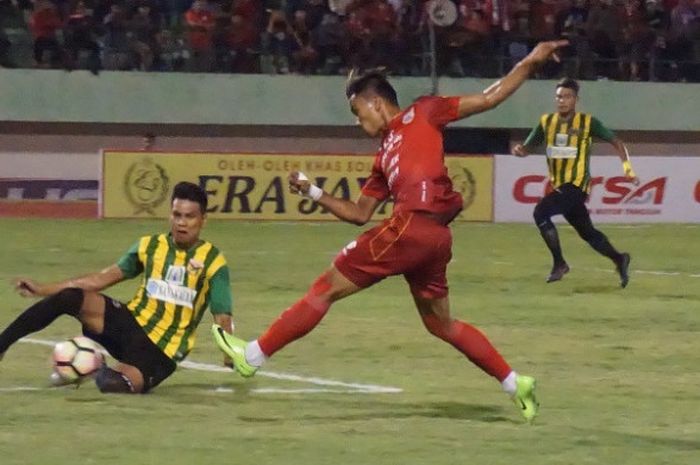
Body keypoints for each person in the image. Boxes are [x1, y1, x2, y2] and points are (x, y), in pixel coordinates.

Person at [212, 40, 570, 423]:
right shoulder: (384, 156)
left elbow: (489, 98)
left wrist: (531, 62)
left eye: (357, 111)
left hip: (413, 227)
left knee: (325, 287)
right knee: (440, 324)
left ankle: (251, 357)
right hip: (431, 240)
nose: (356, 121)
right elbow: (359, 213)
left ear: (376, 102)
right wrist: (314, 191)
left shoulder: (425, 111)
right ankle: (516, 384)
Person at [0, 182, 234, 393]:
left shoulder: (213, 261)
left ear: (203, 219)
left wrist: (229, 352)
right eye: (176, 214)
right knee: (70, 297)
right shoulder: (149, 246)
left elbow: (222, 316)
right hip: (130, 324)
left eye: (190, 216)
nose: (182, 222)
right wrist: (43, 289)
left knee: (114, 385)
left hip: (161, 352)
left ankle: (92, 365)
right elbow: (100, 280)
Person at [512, 78, 638, 286]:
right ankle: (619, 258)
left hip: (577, 186)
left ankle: (559, 263)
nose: (562, 100)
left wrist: (628, 170)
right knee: (588, 233)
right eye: (559, 96)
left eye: (567, 96)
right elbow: (527, 148)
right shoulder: (546, 122)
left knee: (540, 212)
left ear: (576, 99)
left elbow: (617, 142)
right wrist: (520, 151)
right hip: (560, 186)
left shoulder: (588, 123)